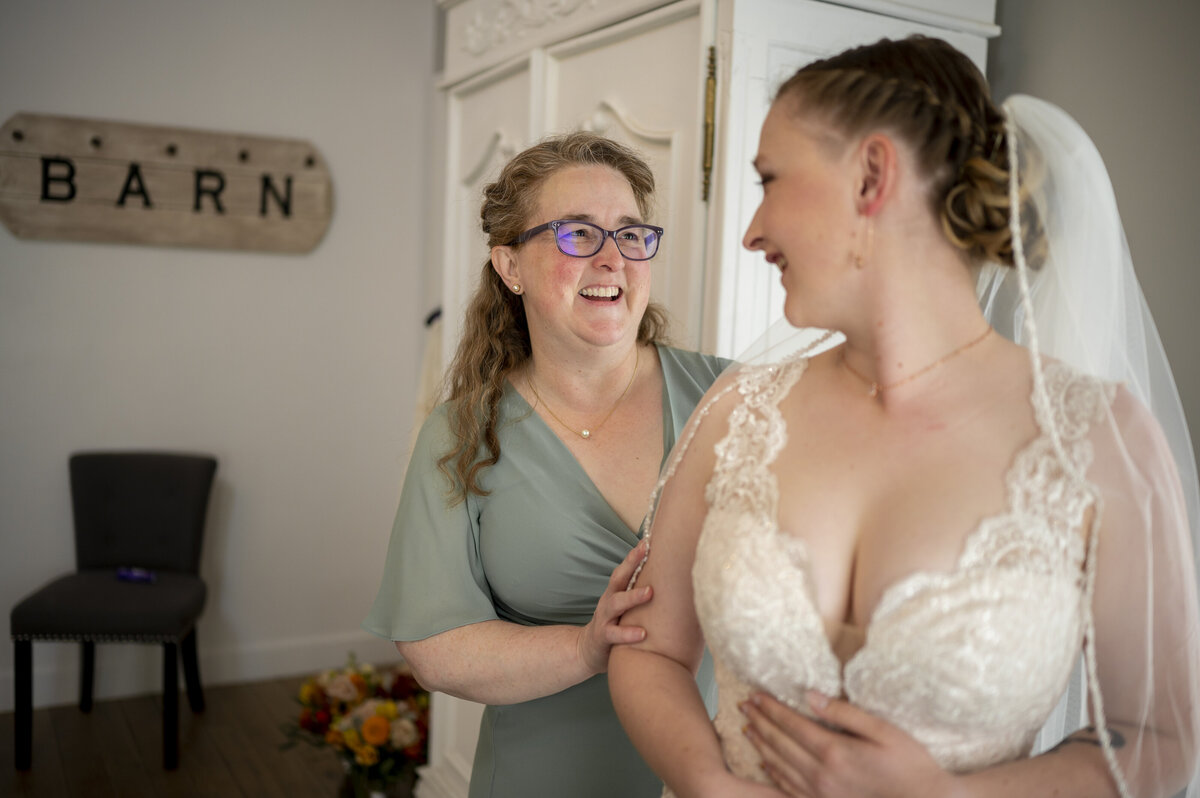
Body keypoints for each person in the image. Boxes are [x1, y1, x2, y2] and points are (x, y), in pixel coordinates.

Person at [609, 35, 1200, 798]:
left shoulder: (1096, 441)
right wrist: (706, 781)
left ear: (871, 175)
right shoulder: (737, 413)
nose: (753, 231)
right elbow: (647, 650)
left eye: (770, 180)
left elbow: (1159, 738)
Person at [363, 131, 728, 798]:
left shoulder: (731, 400)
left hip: (722, 775)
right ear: (510, 266)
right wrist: (587, 647)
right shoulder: (461, 435)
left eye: (630, 234)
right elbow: (436, 648)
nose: (612, 259)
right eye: (578, 235)